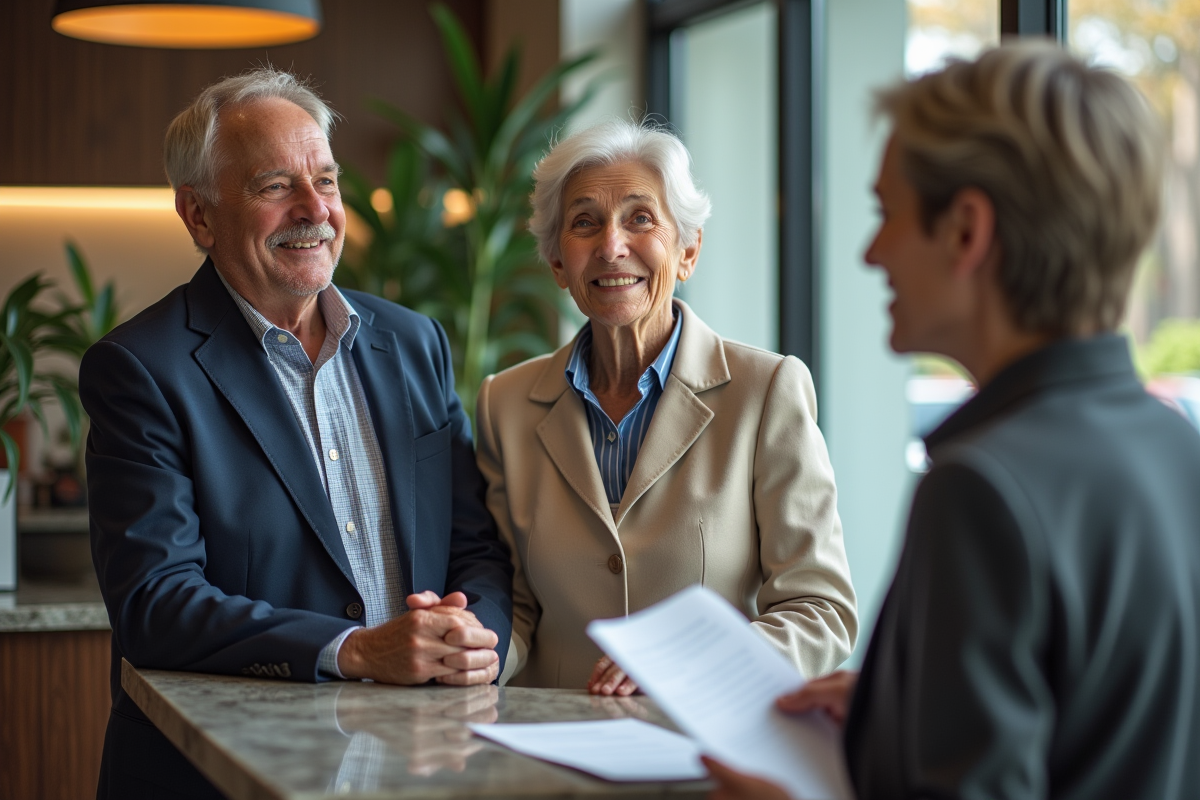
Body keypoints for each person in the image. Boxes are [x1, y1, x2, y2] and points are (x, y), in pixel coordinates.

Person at [706, 41, 1200, 800]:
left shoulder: (981, 491)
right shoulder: (1176, 447)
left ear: (967, 231)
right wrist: (896, 712)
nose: (872, 253)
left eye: (887, 213)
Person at [82, 68, 513, 800]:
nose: (315, 210)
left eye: (327, 180)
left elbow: (475, 547)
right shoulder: (140, 368)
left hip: (417, 764)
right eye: (275, 186)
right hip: (219, 775)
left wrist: (478, 640)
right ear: (199, 215)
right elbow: (156, 602)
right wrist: (355, 650)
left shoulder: (415, 343)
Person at [475, 120, 858, 694]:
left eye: (640, 218)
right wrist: (476, 655)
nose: (611, 245)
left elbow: (820, 609)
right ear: (558, 263)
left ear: (688, 250)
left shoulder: (767, 389)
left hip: (705, 750)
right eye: (585, 223)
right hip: (550, 749)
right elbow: (518, 607)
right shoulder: (503, 403)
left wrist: (695, 663)